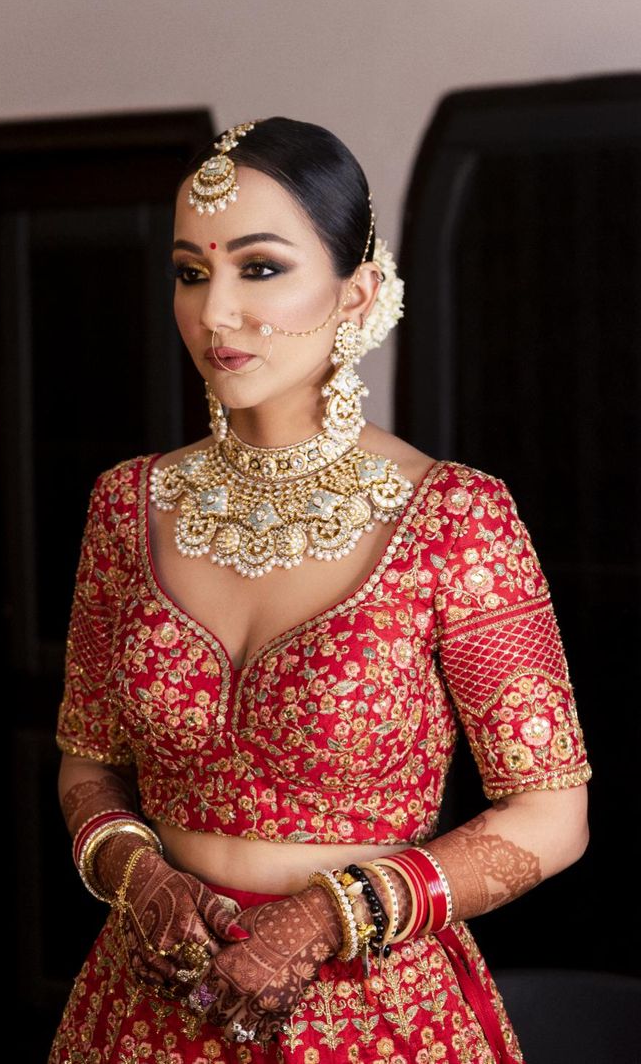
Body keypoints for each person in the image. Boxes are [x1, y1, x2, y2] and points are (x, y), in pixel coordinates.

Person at [48, 117, 591, 1064]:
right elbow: (87, 761)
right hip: (148, 1003)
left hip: (375, 1009)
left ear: (359, 291)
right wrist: (140, 877)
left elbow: (552, 816)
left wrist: (332, 916)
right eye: (190, 271)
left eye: (259, 268)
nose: (216, 313)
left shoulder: (455, 518)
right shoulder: (127, 507)